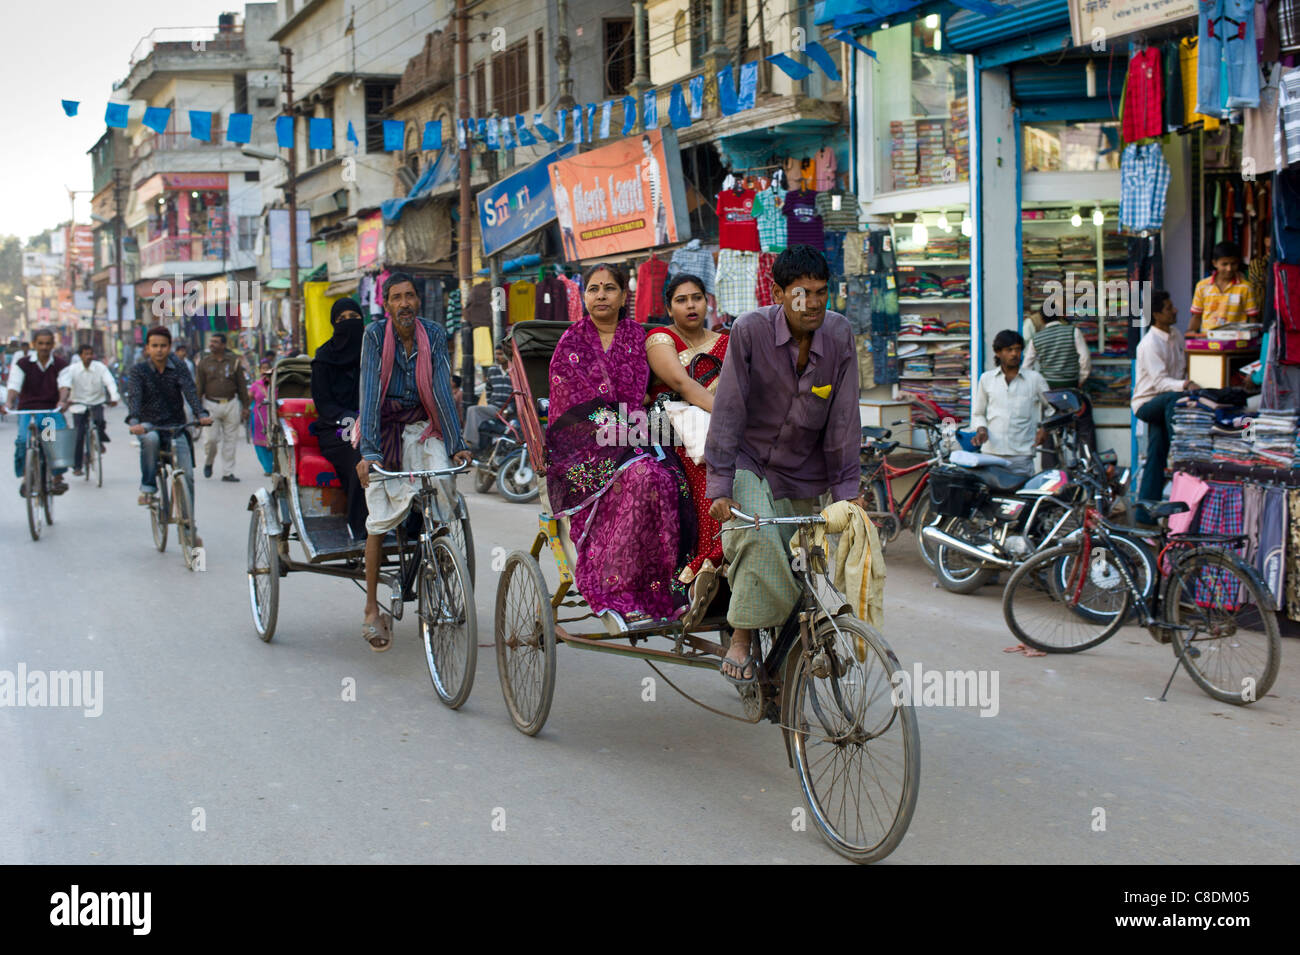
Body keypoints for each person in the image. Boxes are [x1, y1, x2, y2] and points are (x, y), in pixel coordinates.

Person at [705, 246, 861, 684]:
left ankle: (797, 642)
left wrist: (848, 490)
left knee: (804, 559)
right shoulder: (750, 331)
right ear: (778, 292)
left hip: (804, 468)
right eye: (801, 294)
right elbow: (729, 407)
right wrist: (719, 482)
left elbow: (845, 417)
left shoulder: (840, 334)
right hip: (749, 461)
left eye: (820, 293)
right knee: (758, 537)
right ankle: (741, 636)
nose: (812, 303)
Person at [545, 262, 697, 624]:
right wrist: (619, 415)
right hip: (582, 446)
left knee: (668, 479)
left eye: (608, 288)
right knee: (642, 477)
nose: (600, 295)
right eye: (594, 289)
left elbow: (644, 391)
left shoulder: (636, 337)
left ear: (623, 295)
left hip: (634, 435)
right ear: (584, 296)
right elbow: (569, 403)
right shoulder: (572, 341)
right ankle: (615, 587)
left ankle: (659, 588)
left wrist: (634, 413)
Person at [354, 273, 472, 651]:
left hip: (423, 426)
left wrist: (456, 443)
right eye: (396, 298)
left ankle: (439, 556)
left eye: (410, 296)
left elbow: (440, 387)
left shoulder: (433, 333)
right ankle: (372, 608)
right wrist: (369, 453)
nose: (404, 303)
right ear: (386, 305)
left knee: (442, 482)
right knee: (379, 517)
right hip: (385, 430)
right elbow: (369, 392)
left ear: (418, 301)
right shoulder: (374, 336)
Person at [646, 273, 729, 626]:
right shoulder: (660, 339)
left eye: (696, 297)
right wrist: (729, 418)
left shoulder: (727, 341)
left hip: (726, 429)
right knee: (709, 469)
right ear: (669, 307)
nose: (691, 305)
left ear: (707, 301)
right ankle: (705, 565)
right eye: (681, 300)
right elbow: (680, 383)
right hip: (675, 434)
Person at [125, 326, 212, 538]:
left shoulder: (179, 367)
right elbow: (134, 398)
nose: (159, 350)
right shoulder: (139, 371)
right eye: (154, 346)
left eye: (163, 346)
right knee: (151, 439)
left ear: (169, 347)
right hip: (149, 425)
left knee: (188, 476)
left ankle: (189, 525)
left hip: (176, 426)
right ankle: (147, 487)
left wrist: (200, 413)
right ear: (147, 348)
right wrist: (135, 420)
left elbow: (190, 392)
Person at [1132, 290, 1199, 525]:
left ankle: (1144, 515)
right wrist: (1186, 384)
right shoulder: (1149, 344)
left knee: (1155, 458)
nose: (1175, 310)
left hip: (1165, 402)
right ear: (1157, 314)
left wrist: (1186, 382)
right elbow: (1161, 383)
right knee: (1175, 397)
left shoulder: (1176, 335)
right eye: (1170, 308)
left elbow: (1181, 369)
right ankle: (1180, 451)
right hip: (1148, 404)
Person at [311, 297, 368, 541]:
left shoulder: (372, 352)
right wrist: (350, 418)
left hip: (373, 422)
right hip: (336, 428)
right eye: (341, 320)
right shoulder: (324, 357)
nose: (348, 324)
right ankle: (360, 526)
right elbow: (323, 404)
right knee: (360, 452)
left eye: (353, 318)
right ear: (333, 324)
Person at [970, 329, 1050, 476]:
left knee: (1020, 496)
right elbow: (978, 413)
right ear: (998, 352)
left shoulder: (1035, 379)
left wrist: (1044, 429)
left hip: (1021, 455)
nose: (1014, 354)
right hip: (991, 453)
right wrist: (981, 429)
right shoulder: (986, 379)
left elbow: (1053, 408)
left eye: (1018, 349)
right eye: (1009, 350)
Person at [3, 328, 71, 496]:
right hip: (27, 411)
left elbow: (64, 386)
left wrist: (62, 401)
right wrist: (9, 403)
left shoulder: (60, 364)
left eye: (48, 343)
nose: (44, 347)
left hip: (49, 410)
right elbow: (14, 386)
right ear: (34, 344)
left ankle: (57, 477)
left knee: (53, 440)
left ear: (52, 345)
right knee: (22, 440)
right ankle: (26, 477)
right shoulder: (23, 364)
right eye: (40, 343)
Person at [1023, 304, 1096, 458]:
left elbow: (1026, 368)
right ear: (1060, 316)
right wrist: (1079, 380)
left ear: (1041, 319)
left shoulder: (1037, 339)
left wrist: (1038, 389)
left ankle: (1050, 468)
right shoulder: (1073, 332)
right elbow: (1085, 360)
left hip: (1050, 395)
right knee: (1084, 426)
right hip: (1072, 391)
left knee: (1048, 427)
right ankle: (1089, 463)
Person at [57, 343, 119, 475]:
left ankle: (99, 440)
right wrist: (64, 400)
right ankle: (77, 466)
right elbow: (66, 385)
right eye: (86, 354)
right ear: (80, 356)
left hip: (96, 401)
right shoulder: (72, 369)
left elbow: (110, 382)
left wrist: (114, 397)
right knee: (79, 436)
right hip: (78, 404)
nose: (89, 356)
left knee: (100, 422)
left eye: (91, 354)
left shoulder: (100, 367)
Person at [195, 333, 249, 482]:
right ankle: (209, 461)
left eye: (216, 342)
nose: (212, 344)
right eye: (211, 342)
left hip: (231, 403)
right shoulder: (204, 363)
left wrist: (245, 406)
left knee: (231, 440)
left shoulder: (234, 362)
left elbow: (242, 386)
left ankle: (228, 472)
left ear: (223, 345)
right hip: (211, 405)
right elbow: (199, 387)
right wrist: (197, 410)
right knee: (211, 440)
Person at [1188, 241, 1260, 334]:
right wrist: (1190, 332)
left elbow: (1252, 317)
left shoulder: (1246, 287)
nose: (1229, 268)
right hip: (1209, 342)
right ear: (1215, 263)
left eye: (1233, 264)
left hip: (1236, 344)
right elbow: (1197, 316)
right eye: (1224, 264)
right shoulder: (1202, 286)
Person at [464, 345, 514, 455]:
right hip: (494, 408)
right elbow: (488, 389)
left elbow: (518, 395)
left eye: (500, 354)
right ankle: (472, 444)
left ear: (507, 355)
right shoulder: (492, 370)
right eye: (496, 354)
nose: (497, 357)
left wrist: (508, 410)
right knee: (472, 410)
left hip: (509, 411)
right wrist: (490, 403)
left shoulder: (515, 372)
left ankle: (475, 446)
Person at [249, 358, 274, 476]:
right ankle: (268, 468)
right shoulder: (255, 386)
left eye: (267, 368)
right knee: (260, 445)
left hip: (273, 417)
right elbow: (248, 399)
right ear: (260, 370)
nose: (265, 370)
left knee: (273, 442)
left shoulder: (276, 384)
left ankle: (275, 465)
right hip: (259, 418)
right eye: (263, 368)